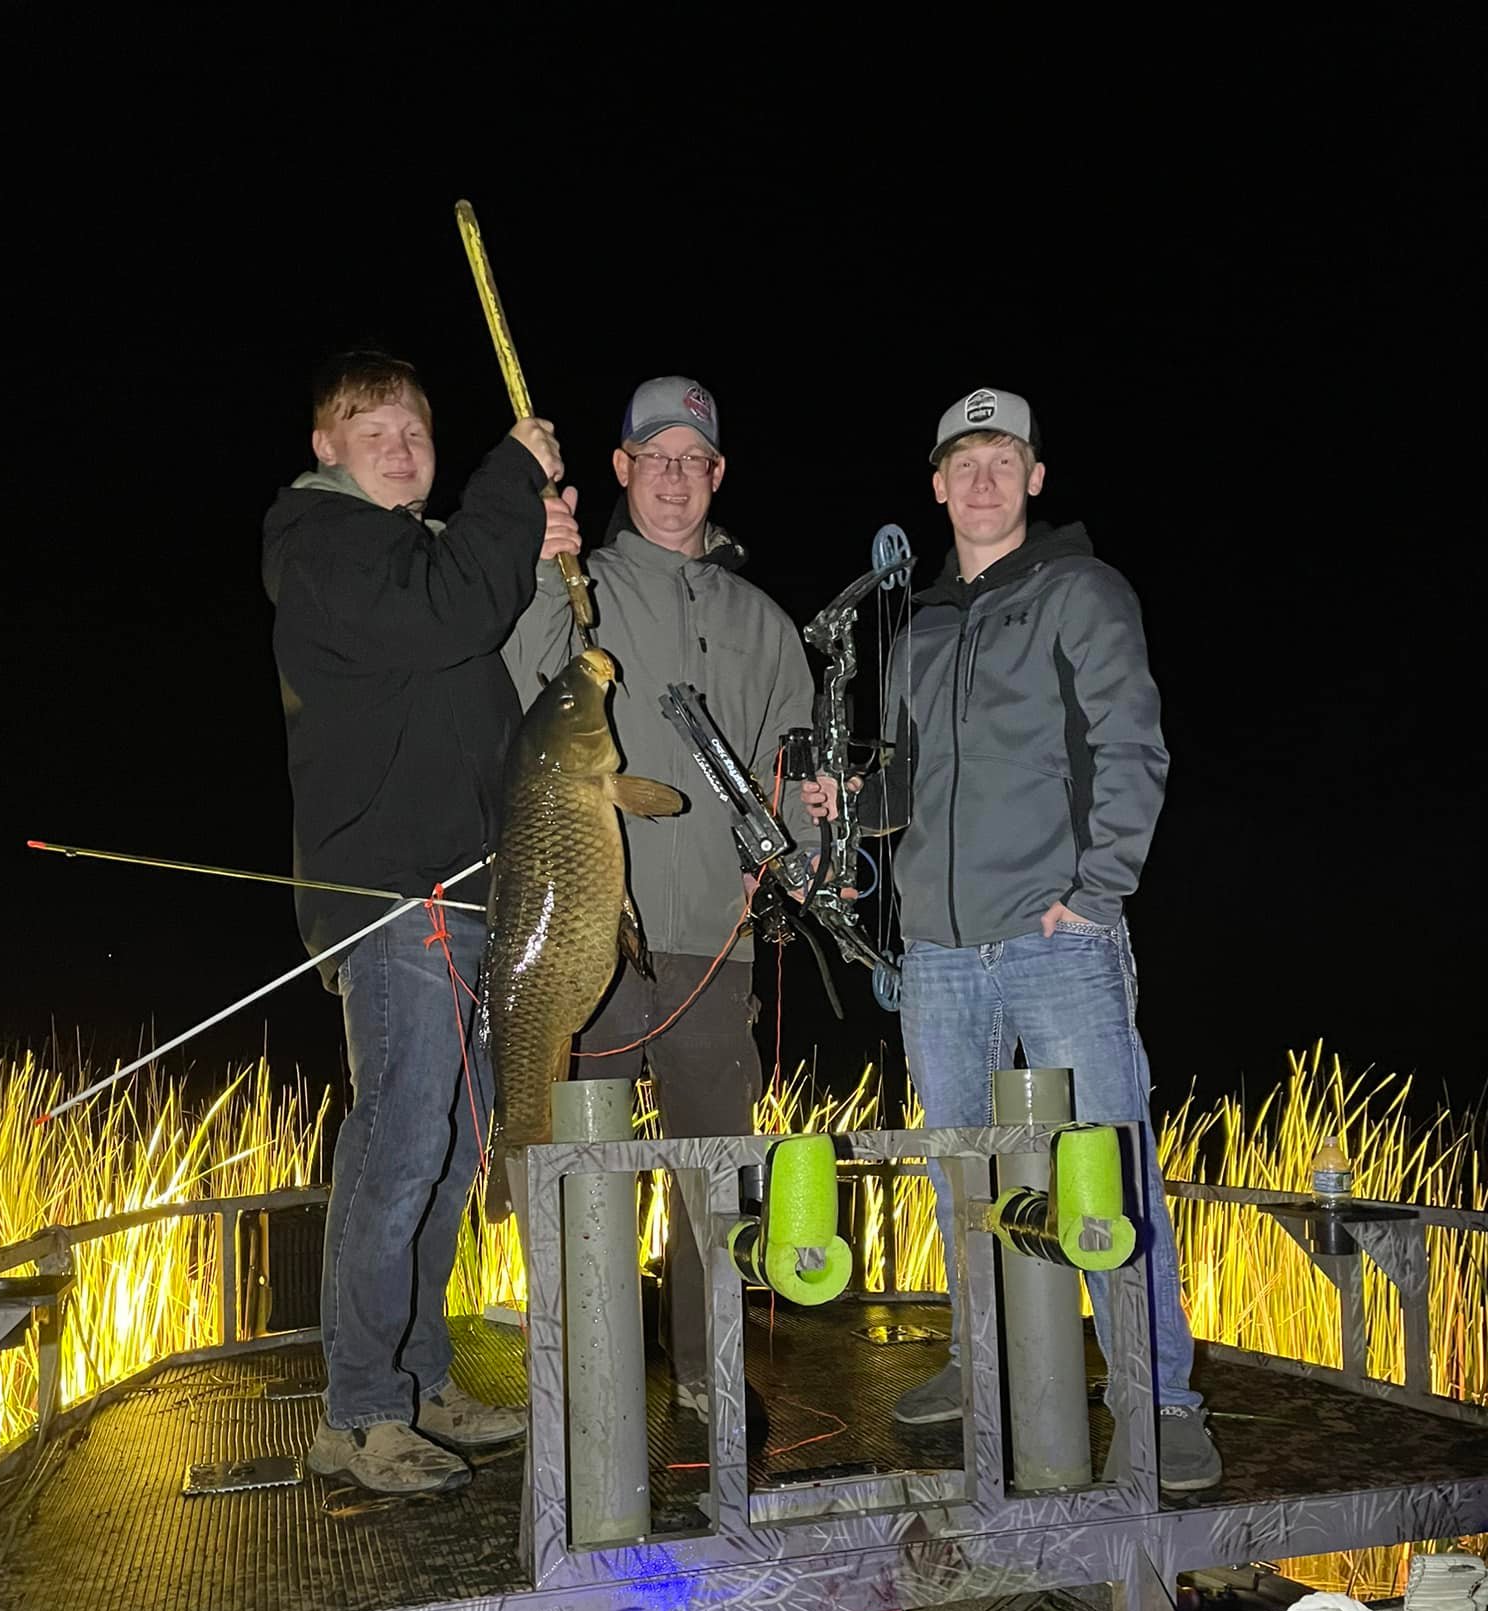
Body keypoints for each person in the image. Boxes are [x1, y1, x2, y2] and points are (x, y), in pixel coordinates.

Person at [804, 387, 1221, 1491]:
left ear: (1034, 477)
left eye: (1003, 460)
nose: (982, 480)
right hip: (939, 958)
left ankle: (1162, 1397)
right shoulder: (922, 628)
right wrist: (850, 798)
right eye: (964, 463)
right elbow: (909, 784)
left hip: (1056, 942)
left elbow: (1132, 744)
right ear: (937, 484)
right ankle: (977, 1358)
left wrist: (1097, 891)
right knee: (966, 1180)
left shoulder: (1081, 589)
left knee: (1107, 1174)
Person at [264, 348, 582, 1494]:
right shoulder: (323, 543)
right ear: (327, 446)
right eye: (374, 431)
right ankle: (358, 1412)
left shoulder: (421, 555)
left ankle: (418, 1370)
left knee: (451, 1149)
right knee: (399, 1145)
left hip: (470, 895)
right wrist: (514, 472)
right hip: (395, 900)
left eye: (415, 432)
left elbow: (472, 610)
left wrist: (527, 550)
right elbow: (450, 606)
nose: (401, 449)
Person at [505, 378, 815, 1415]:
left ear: (717, 474)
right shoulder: (575, 584)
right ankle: (584, 1375)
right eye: (655, 458)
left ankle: (706, 1372)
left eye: (694, 459)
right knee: (587, 1162)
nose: (675, 478)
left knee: (715, 1174)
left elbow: (790, 763)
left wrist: (808, 849)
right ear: (622, 469)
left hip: (716, 941)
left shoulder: (765, 623)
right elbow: (519, 677)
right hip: (589, 938)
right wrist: (537, 557)